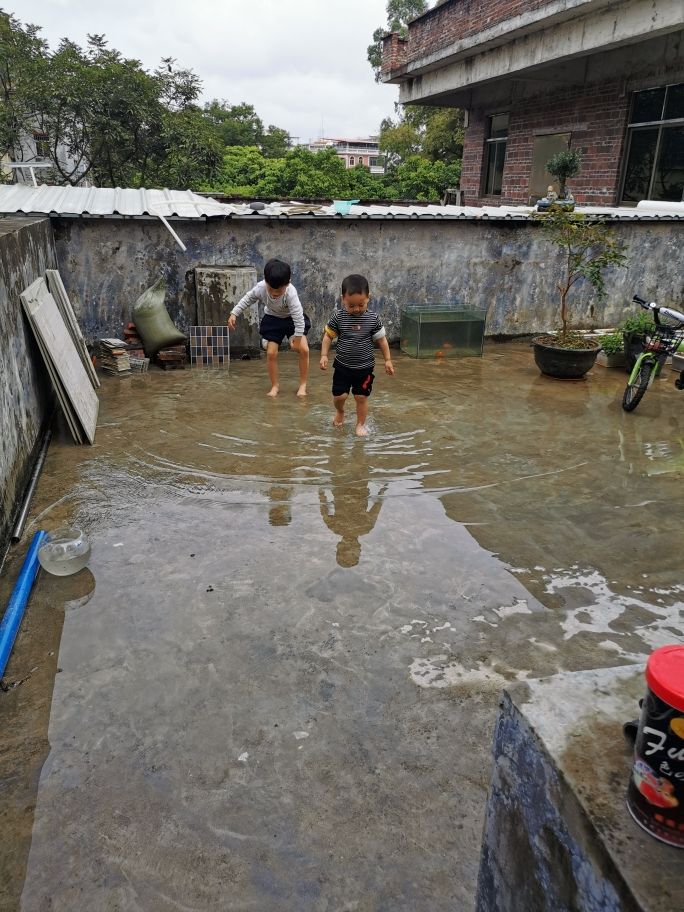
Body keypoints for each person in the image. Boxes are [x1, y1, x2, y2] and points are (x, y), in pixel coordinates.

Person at [319, 274, 394, 436]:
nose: (357, 309)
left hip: (365, 368)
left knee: (361, 397)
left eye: (361, 304)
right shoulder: (339, 317)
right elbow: (328, 336)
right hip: (342, 367)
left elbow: (381, 340)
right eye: (351, 305)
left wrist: (388, 360)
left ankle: (360, 425)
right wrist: (324, 355)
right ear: (343, 299)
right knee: (339, 396)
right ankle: (340, 411)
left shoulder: (373, 319)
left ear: (368, 298)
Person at [228, 258, 310, 397]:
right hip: (273, 320)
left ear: (288, 282)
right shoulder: (260, 288)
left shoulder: (291, 293)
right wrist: (234, 313)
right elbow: (248, 298)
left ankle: (303, 385)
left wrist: (297, 338)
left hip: (291, 320)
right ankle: (274, 386)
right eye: (271, 289)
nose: (274, 293)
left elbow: (298, 318)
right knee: (271, 353)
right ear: (265, 281)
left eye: (279, 290)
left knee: (304, 349)